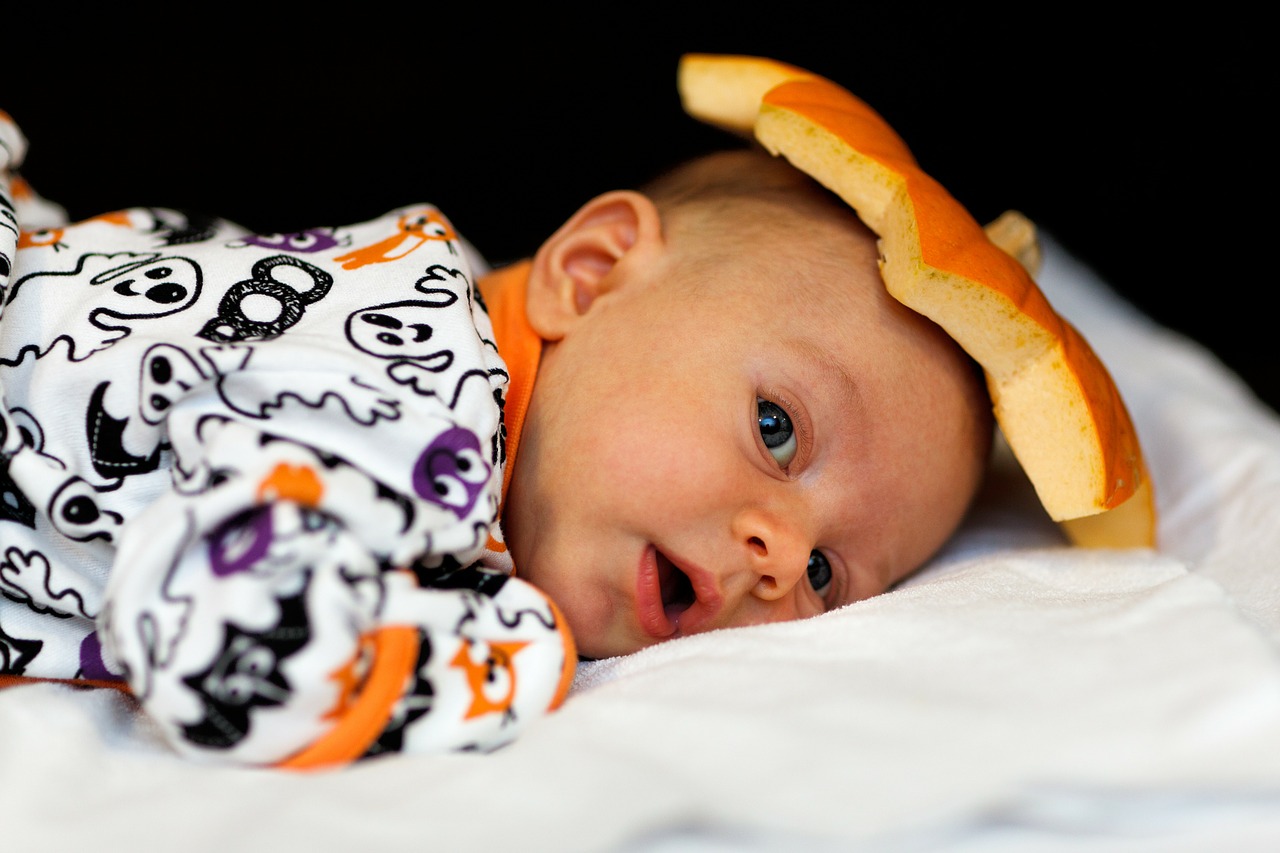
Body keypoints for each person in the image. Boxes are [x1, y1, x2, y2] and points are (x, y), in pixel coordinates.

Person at [0, 108, 993, 768]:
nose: (778, 552)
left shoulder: (465, 460)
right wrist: (513, 658)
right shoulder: (421, 394)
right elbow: (214, 629)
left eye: (827, 569)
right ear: (593, 272)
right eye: (776, 430)